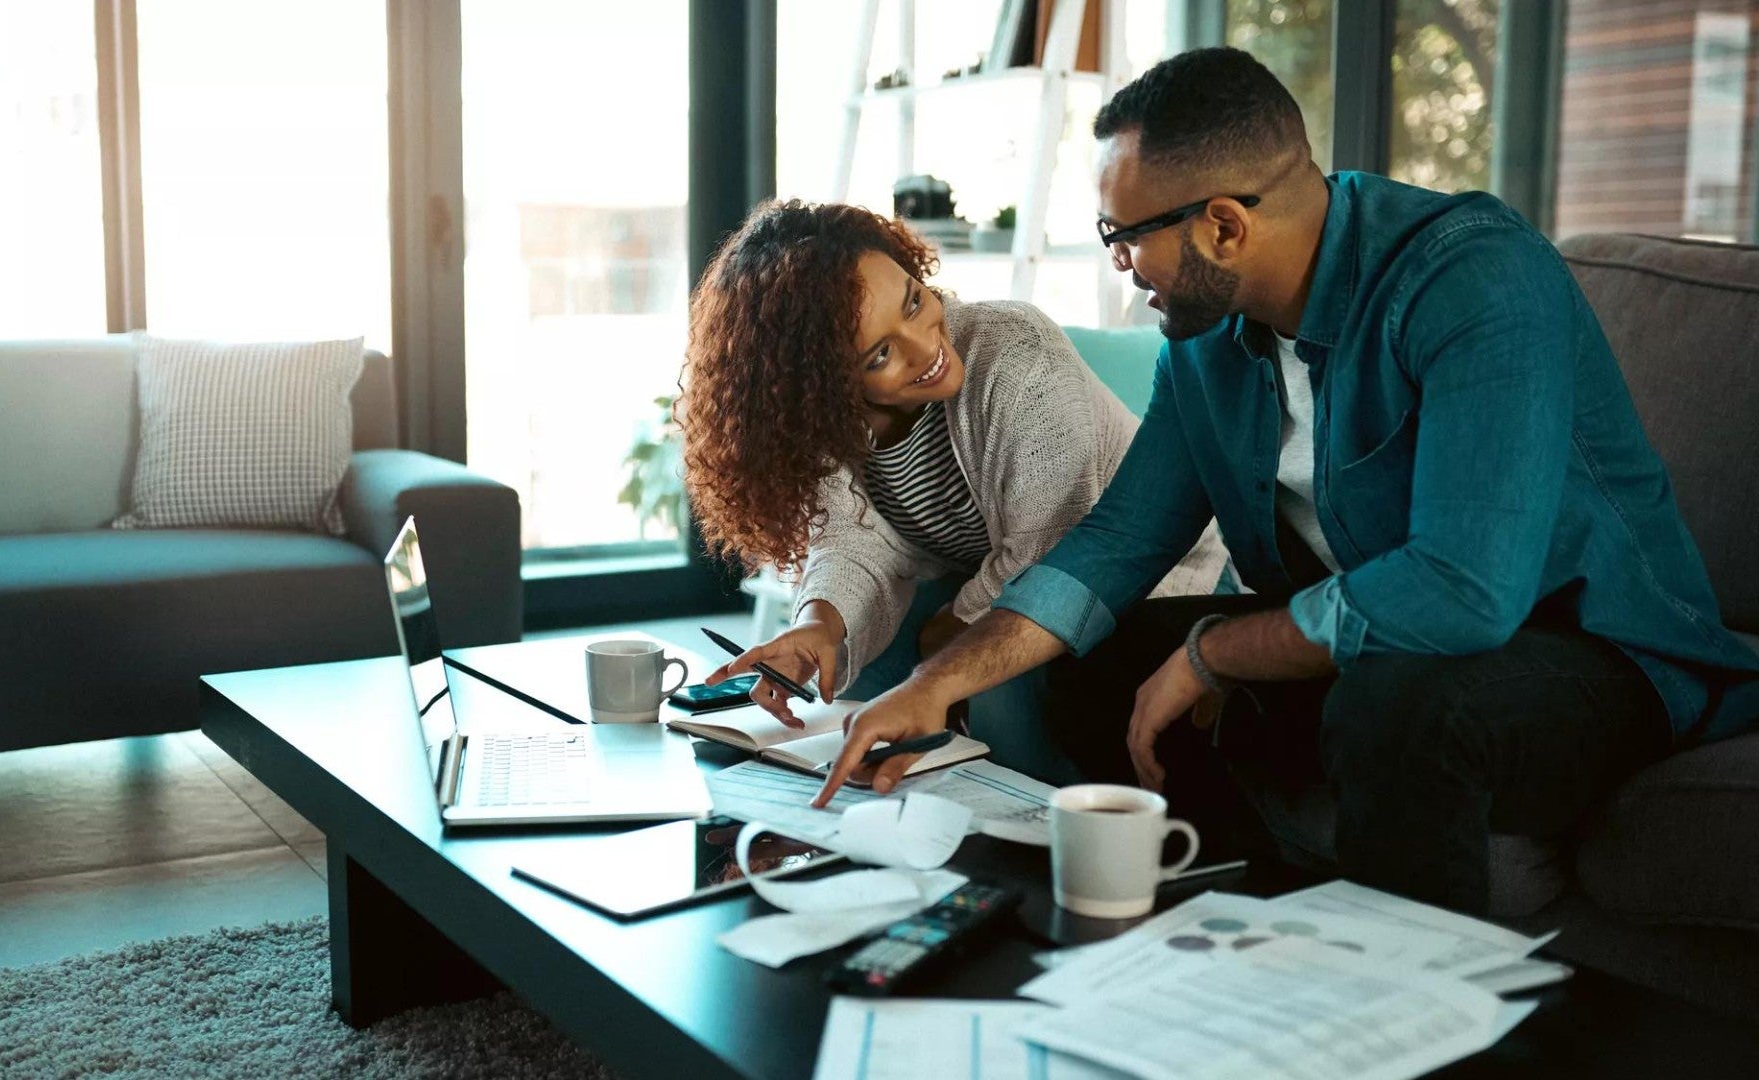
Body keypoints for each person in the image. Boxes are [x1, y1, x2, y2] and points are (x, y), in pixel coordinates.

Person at [811, 47, 1759, 916]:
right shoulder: (1209, 340)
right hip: (1383, 653)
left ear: (1222, 225)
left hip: (1593, 659)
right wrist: (936, 682)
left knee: (1399, 705)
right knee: (1095, 657)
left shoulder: (1474, 279)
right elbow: (1115, 544)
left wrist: (1216, 653)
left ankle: (1402, 1015)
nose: (1117, 263)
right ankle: (1214, 922)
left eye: (1121, 234)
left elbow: (1464, 594)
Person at [679, 200, 1228, 783]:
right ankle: (879, 816)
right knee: (857, 680)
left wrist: (944, 646)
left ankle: (1032, 825)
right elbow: (853, 543)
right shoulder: (830, 425)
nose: (924, 346)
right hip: (984, 577)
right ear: (824, 389)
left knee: (990, 685)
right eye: (881, 355)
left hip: (1139, 578)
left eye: (914, 302)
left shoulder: (1017, 353)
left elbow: (1053, 550)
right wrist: (819, 625)